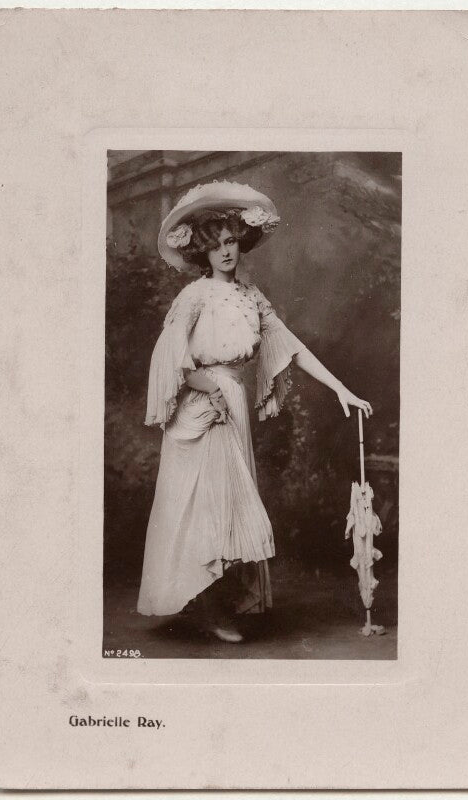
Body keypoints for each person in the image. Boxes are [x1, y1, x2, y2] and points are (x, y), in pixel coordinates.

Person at [136, 180, 372, 643]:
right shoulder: (195, 296)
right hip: (202, 407)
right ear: (203, 252)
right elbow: (171, 358)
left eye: (231, 242)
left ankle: (220, 602)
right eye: (217, 245)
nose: (227, 251)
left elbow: (290, 346)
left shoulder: (250, 295)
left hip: (232, 402)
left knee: (228, 504)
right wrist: (210, 389)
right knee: (202, 506)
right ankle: (206, 607)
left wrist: (341, 389)